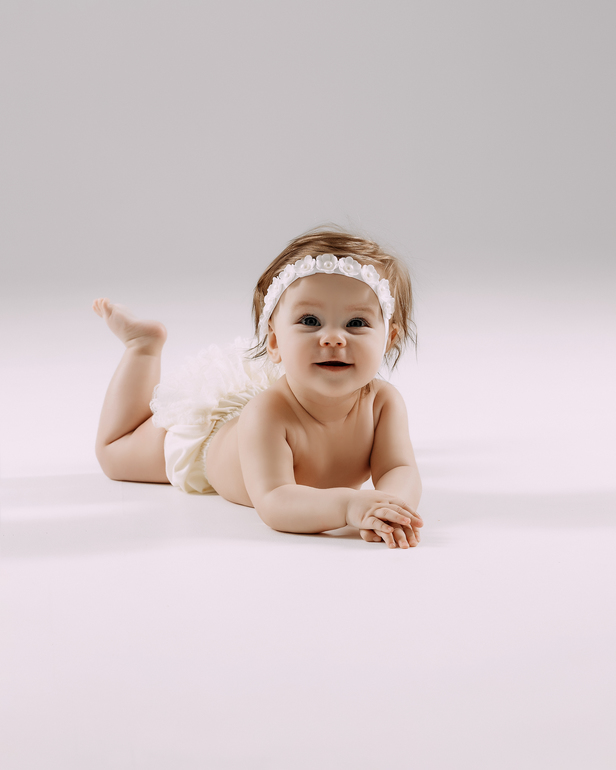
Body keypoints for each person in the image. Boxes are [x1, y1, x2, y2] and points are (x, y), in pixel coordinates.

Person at [93, 228, 423, 548]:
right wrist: (350, 507)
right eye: (310, 321)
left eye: (357, 323)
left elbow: (399, 467)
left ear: (388, 339)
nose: (333, 338)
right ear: (275, 341)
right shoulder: (267, 414)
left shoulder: (383, 403)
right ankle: (143, 347)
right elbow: (275, 500)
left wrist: (389, 510)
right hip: (208, 443)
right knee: (114, 453)